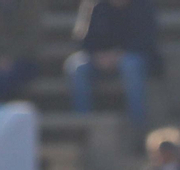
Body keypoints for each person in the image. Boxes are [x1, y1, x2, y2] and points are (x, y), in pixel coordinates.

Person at [66, 0, 158, 132]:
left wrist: (118, 55)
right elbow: (82, 40)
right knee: (76, 66)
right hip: (99, 59)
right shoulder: (94, 5)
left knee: (130, 64)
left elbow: (147, 40)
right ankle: (83, 125)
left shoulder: (143, 6)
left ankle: (138, 126)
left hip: (131, 58)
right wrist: (97, 55)